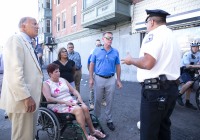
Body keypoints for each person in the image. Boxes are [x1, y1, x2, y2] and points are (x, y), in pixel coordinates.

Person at [121, 9, 181, 140]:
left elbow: (148, 63)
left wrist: (130, 60)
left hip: (155, 91)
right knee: (163, 128)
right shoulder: (171, 35)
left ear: (152, 21)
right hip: (171, 89)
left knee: (148, 132)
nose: (146, 26)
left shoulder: (153, 35)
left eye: (146, 22)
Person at [0, 17, 43, 140]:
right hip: (23, 101)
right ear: (23, 26)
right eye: (34, 24)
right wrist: (26, 97)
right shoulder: (15, 40)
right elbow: (14, 72)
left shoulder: (27, 43)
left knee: (29, 135)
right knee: (23, 137)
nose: (38, 26)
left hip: (30, 100)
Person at [43, 63, 106, 140]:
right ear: (50, 74)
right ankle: (85, 136)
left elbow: (73, 90)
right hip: (57, 104)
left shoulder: (63, 80)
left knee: (85, 107)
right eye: (56, 72)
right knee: (78, 109)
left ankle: (92, 131)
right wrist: (65, 102)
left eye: (59, 71)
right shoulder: (46, 84)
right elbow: (49, 98)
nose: (58, 73)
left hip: (69, 101)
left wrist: (79, 97)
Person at [89, 31, 122, 131]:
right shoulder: (96, 50)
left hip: (111, 79)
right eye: (108, 38)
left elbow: (118, 66)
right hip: (99, 78)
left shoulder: (115, 52)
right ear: (103, 39)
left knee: (110, 100)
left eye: (112, 38)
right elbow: (91, 65)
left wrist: (118, 79)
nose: (110, 40)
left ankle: (109, 120)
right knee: (98, 100)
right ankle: (96, 119)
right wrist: (91, 78)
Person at [177, 42, 200, 110]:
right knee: (189, 82)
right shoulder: (187, 54)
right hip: (184, 70)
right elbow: (187, 65)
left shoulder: (199, 54)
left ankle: (187, 102)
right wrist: (198, 66)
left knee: (190, 87)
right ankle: (179, 95)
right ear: (191, 48)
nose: (195, 48)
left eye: (197, 47)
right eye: (194, 47)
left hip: (192, 70)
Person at [87, 39, 106, 109]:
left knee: (103, 88)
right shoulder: (92, 53)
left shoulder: (104, 53)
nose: (99, 46)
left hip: (101, 74)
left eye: (100, 44)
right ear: (95, 45)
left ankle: (102, 100)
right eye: (97, 45)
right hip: (94, 74)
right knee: (92, 89)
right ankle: (91, 103)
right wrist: (91, 75)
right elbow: (89, 65)